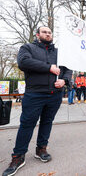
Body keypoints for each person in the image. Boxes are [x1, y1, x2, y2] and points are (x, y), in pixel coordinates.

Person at [2, 26, 72, 176]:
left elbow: (68, 69)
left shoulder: (59, 53)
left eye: (50, 32)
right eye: (45, 32)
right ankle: (18, 156)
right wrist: (49, 68)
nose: (48, 34)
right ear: (37, 34)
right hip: (35, 94)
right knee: (27, 124)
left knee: (47, 122)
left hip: (55, 94)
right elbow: (24, 62)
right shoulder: (27, 48)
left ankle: (41, 149)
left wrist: (64, 81)